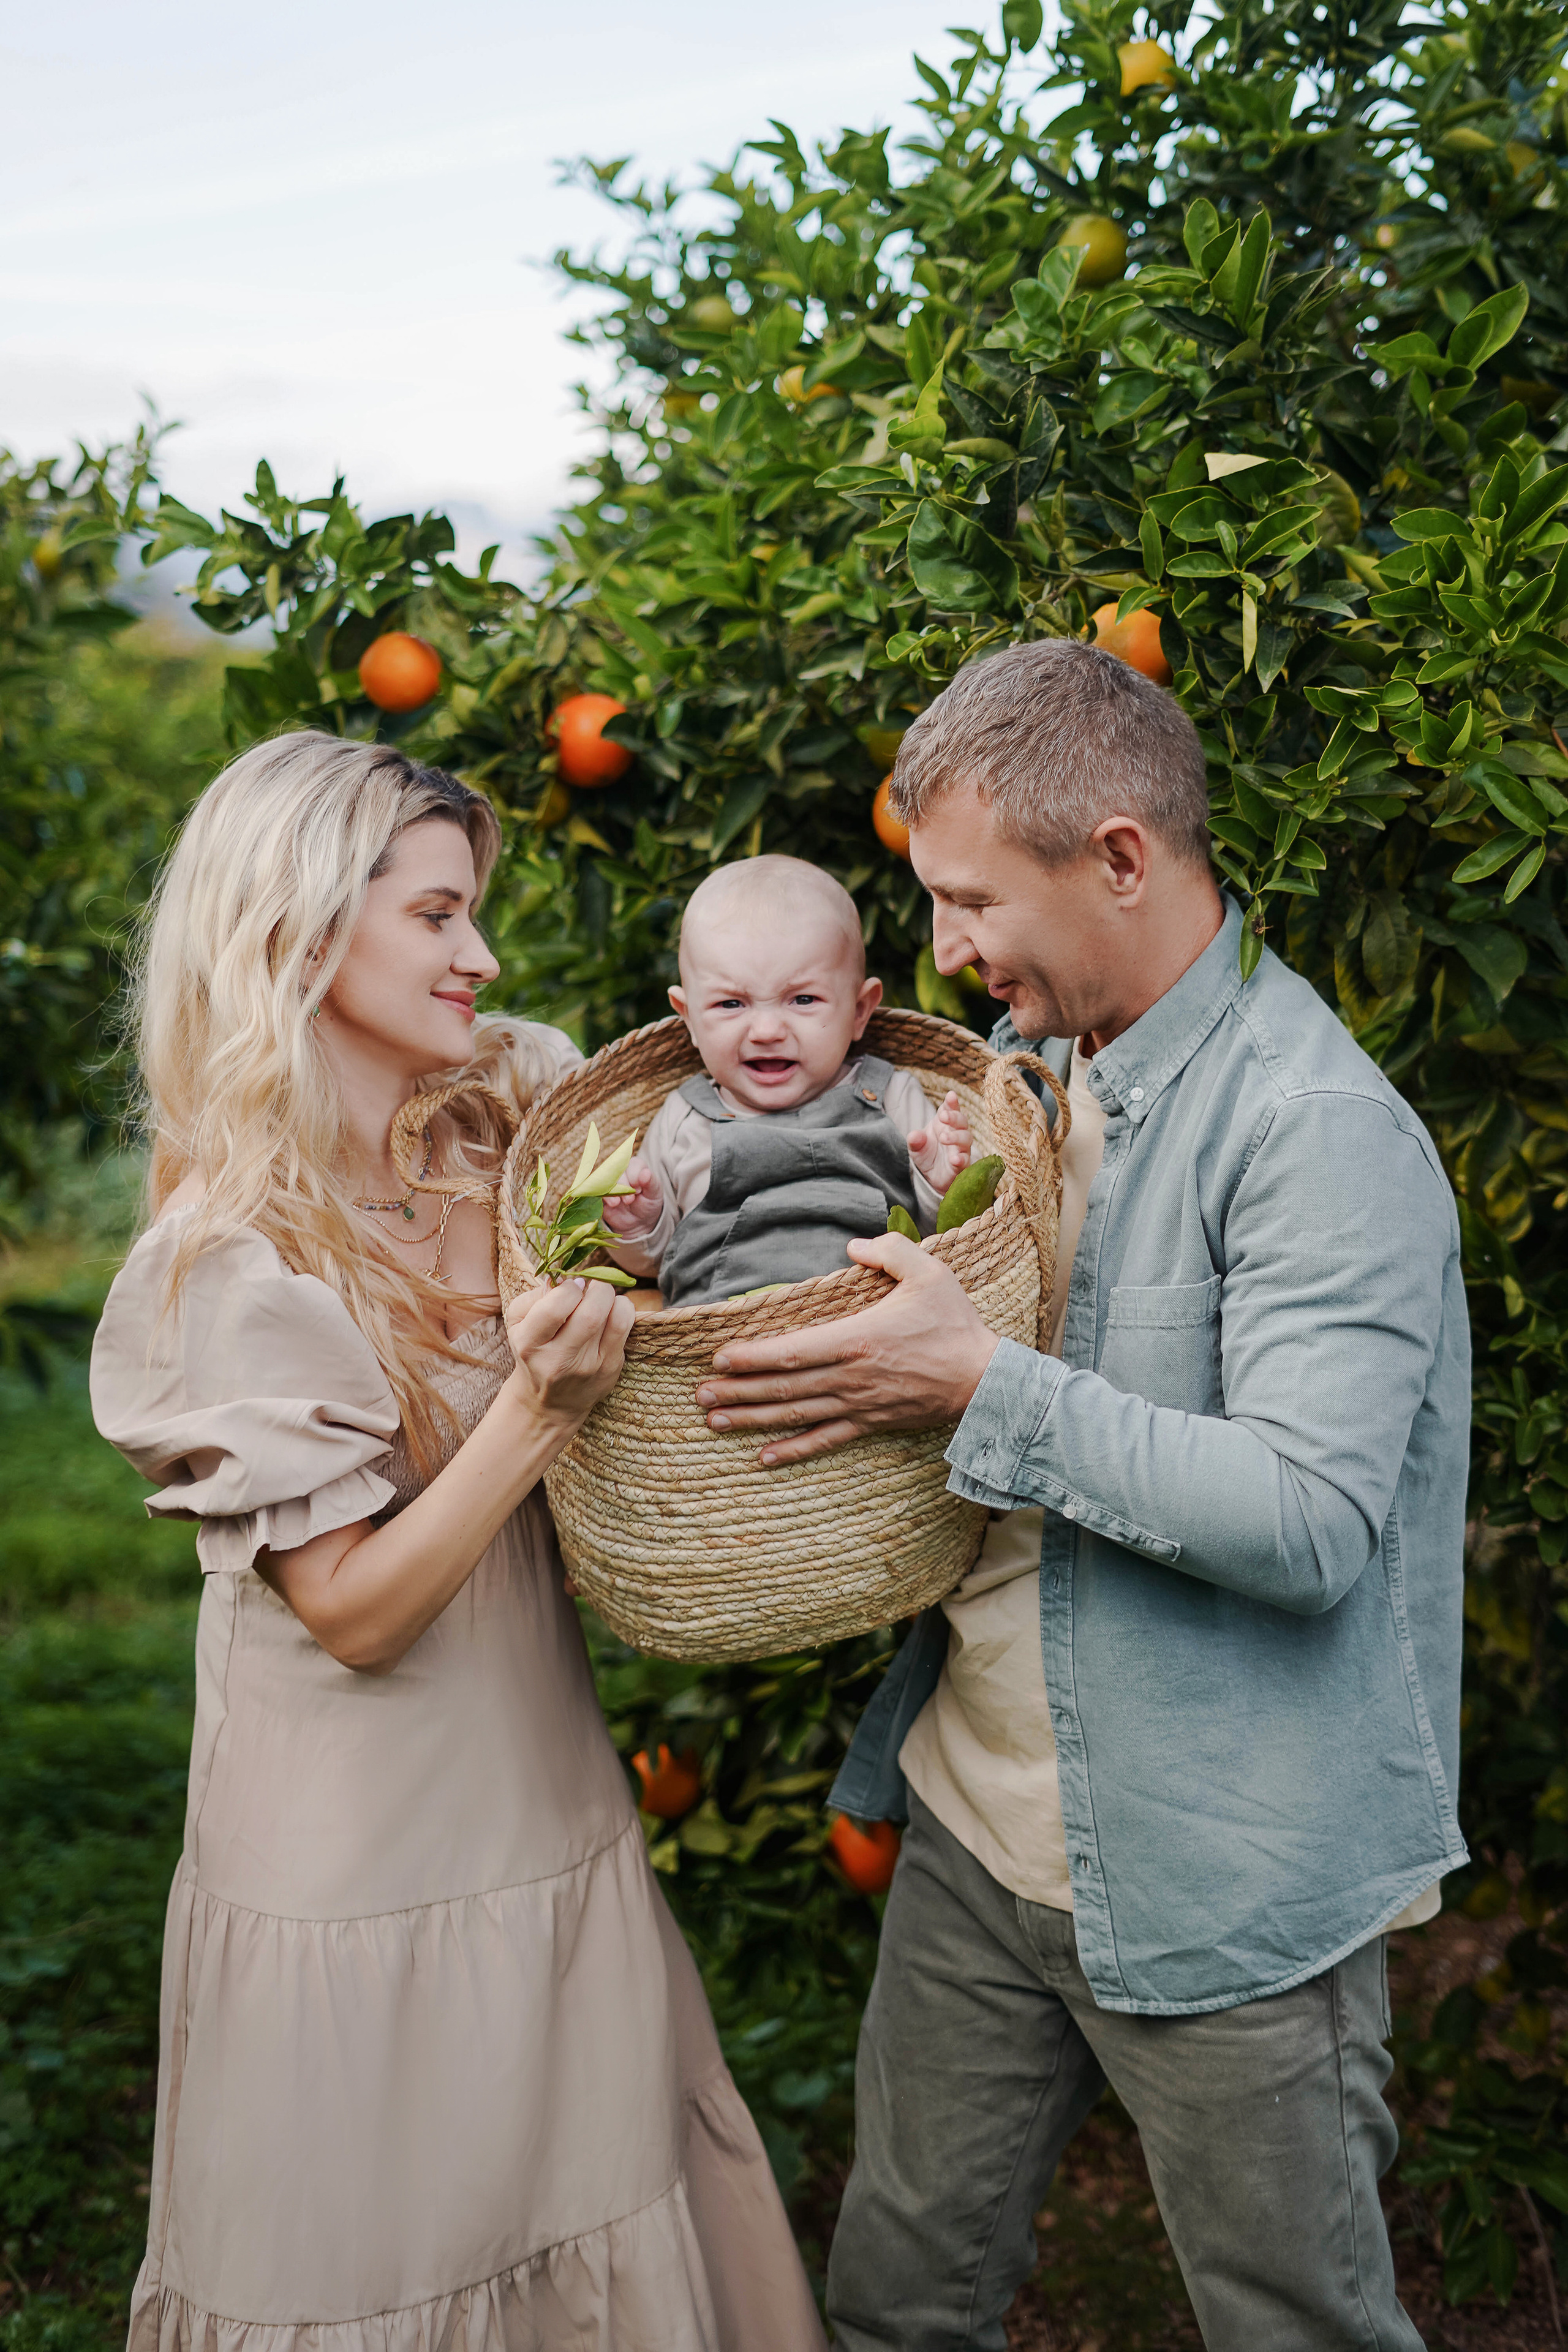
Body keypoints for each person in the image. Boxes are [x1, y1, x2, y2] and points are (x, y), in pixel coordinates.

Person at [691, 641, 1469, 2352]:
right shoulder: (1025, 1076)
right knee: (897, 2303)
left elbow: (1307, 1520)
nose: (942, 948)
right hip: (972, 1825)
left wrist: (977, 1384)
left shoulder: (1313, 1128)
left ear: (1118, 857)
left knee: (1295, 2326)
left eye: (972, 900)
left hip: (1221, 1866)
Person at [89, 733, 824, 2352]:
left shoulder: (503, 1131)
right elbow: (353, 1612)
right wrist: (539, 1409)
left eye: (471, 911)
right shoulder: (231, 1261)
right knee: (377, 2261)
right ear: (298, 930)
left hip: (542, 1787)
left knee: (588, 2191)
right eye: (436, 915)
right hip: (355, 1853)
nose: (480, 955)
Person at [601, 856, 972, 1305]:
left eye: (802, 999)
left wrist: (937, 1184)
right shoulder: (684, 1118)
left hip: (875, 1319)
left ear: (859, 1011)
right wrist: (640, 1224)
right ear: (689, 1020)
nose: (766, 1031)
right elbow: (656, 1263)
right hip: (725, 1330)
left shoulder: (891, 1096)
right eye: (731, 1004)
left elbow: (939, 1239)